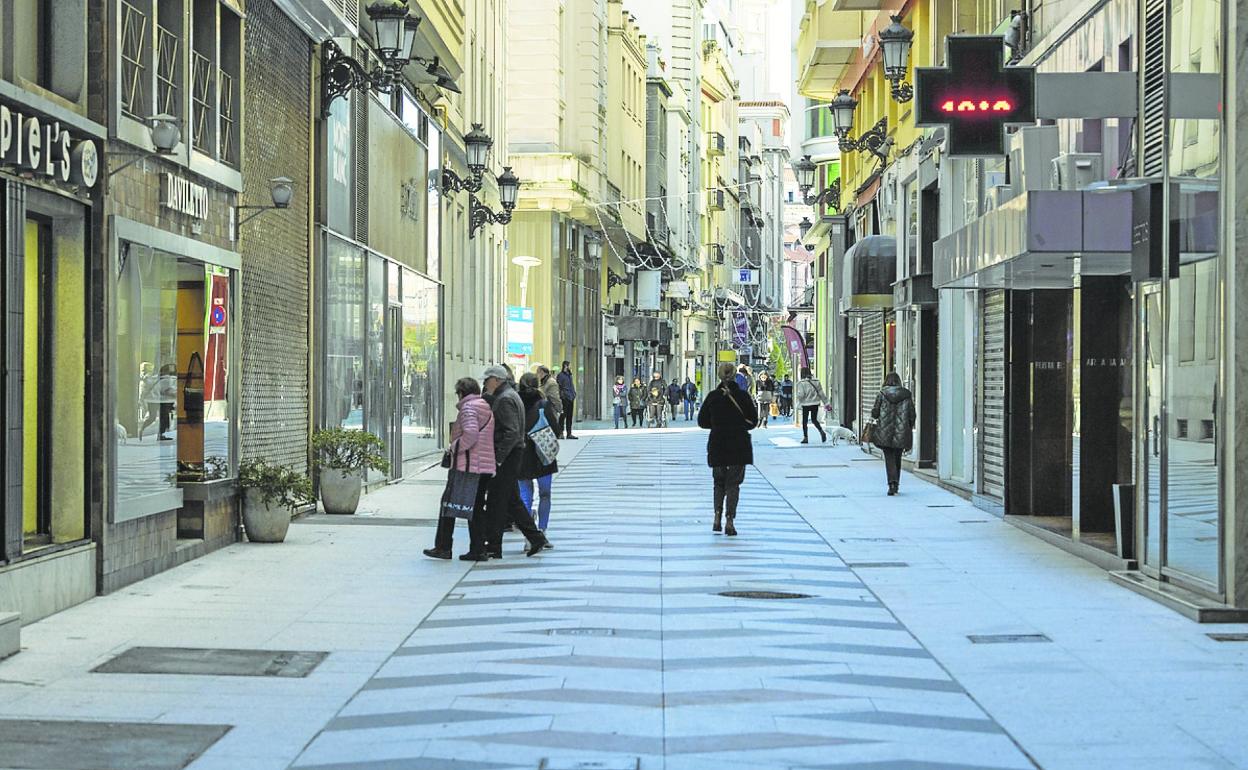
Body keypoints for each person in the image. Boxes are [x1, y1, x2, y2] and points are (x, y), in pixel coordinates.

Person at [481, 365, 549, 559]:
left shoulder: (504, 399)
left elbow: (510, 432)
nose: (485, 385)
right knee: (512, 501)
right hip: (514, 453)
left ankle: (494, 545)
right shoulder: (510, 394)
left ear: (496, 379)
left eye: (487, 380)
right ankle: (536, 538)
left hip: (509, 456)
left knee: (497, 501)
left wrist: (499, 458)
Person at [424, 378, 493, 560]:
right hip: (482, 465)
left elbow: (470, 434)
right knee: (476, 508)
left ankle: (443, 547)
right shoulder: (483, 405)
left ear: (461, 392)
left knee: (448, 504)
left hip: (468, 465)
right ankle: (478, 549)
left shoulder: (469, 408)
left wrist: (454, 447)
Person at [698, 362, 757, 536]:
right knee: (733, 484)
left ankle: (716, 517)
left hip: (718, 443)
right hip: (738, 444)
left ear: (719, 375)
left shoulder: (712, 397)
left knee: (718, 482)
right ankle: (729, 520)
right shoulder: (743, 397)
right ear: (734, 376)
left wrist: (717, 425)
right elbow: (753, 421)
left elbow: (702, 422)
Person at [517, 373, 559, 536]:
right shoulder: (543, 404)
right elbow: (555, 429)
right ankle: (542, 529)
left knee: (525, 495)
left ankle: (529, 534)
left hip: (522, 453)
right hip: (544, 453)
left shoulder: (515, 403)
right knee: (545, 493)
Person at [871, 372, 916, 496]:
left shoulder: (881, 394)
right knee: (897, 457)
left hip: (885, 431)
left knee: (889, 457)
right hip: (902, 431)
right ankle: (896, 484)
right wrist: (909, 426)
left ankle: (891, 483)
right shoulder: (907, 394)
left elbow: (875, 413)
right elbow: (912, 414)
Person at [139, 363, 178, 441]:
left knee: (152, 417)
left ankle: (142, 430)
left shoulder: (156, 377)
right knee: (164, 417)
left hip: (152, 400)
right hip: (163, 401)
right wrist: (176, 394)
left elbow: (148, 382)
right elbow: (167, 391)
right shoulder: (170, 379)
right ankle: (161, 434)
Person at [795, 367, 829, 444]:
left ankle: (805, 437)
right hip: (815, 403)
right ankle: (821, 431)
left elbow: (801, 395)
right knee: (814, 420)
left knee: (805, 421)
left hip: (805, 404)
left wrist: (798, 398)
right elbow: (821, 393)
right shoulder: (816, 381)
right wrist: (826, 403)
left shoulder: (801, 383)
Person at [556, 361, 578, 440]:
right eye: (569, 365)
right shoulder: (560, 375)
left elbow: (571, 385)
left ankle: (569, 433)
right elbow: (559, 386)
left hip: (571, 397)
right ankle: (560, 433)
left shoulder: (569, 375)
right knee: (563, 416)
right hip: (565, 398)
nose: (570, 367)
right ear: (565, 366)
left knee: (569, 416)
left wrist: (574, 394)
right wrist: (562, 396)